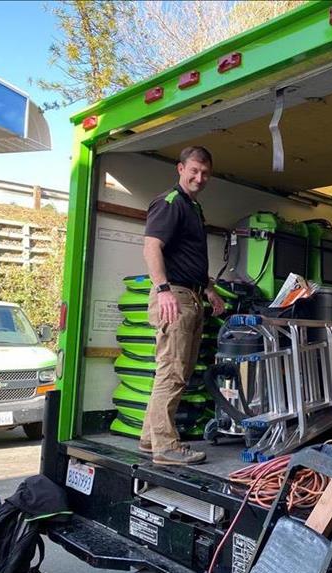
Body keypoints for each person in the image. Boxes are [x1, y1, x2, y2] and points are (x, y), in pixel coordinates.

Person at [140, 146, 225, 466]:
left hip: (190, 295)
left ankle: (151, 439)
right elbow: (152, 248)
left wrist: (209, 290)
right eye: (194, 171)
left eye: (205, 173)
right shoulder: (170, 203)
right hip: (174, 296)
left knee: (176, 372)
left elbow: (188, 258)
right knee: (172, 373)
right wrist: (163, 290)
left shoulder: (193, 207)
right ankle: (166, 446)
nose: (199, 178)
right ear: (180, 169)